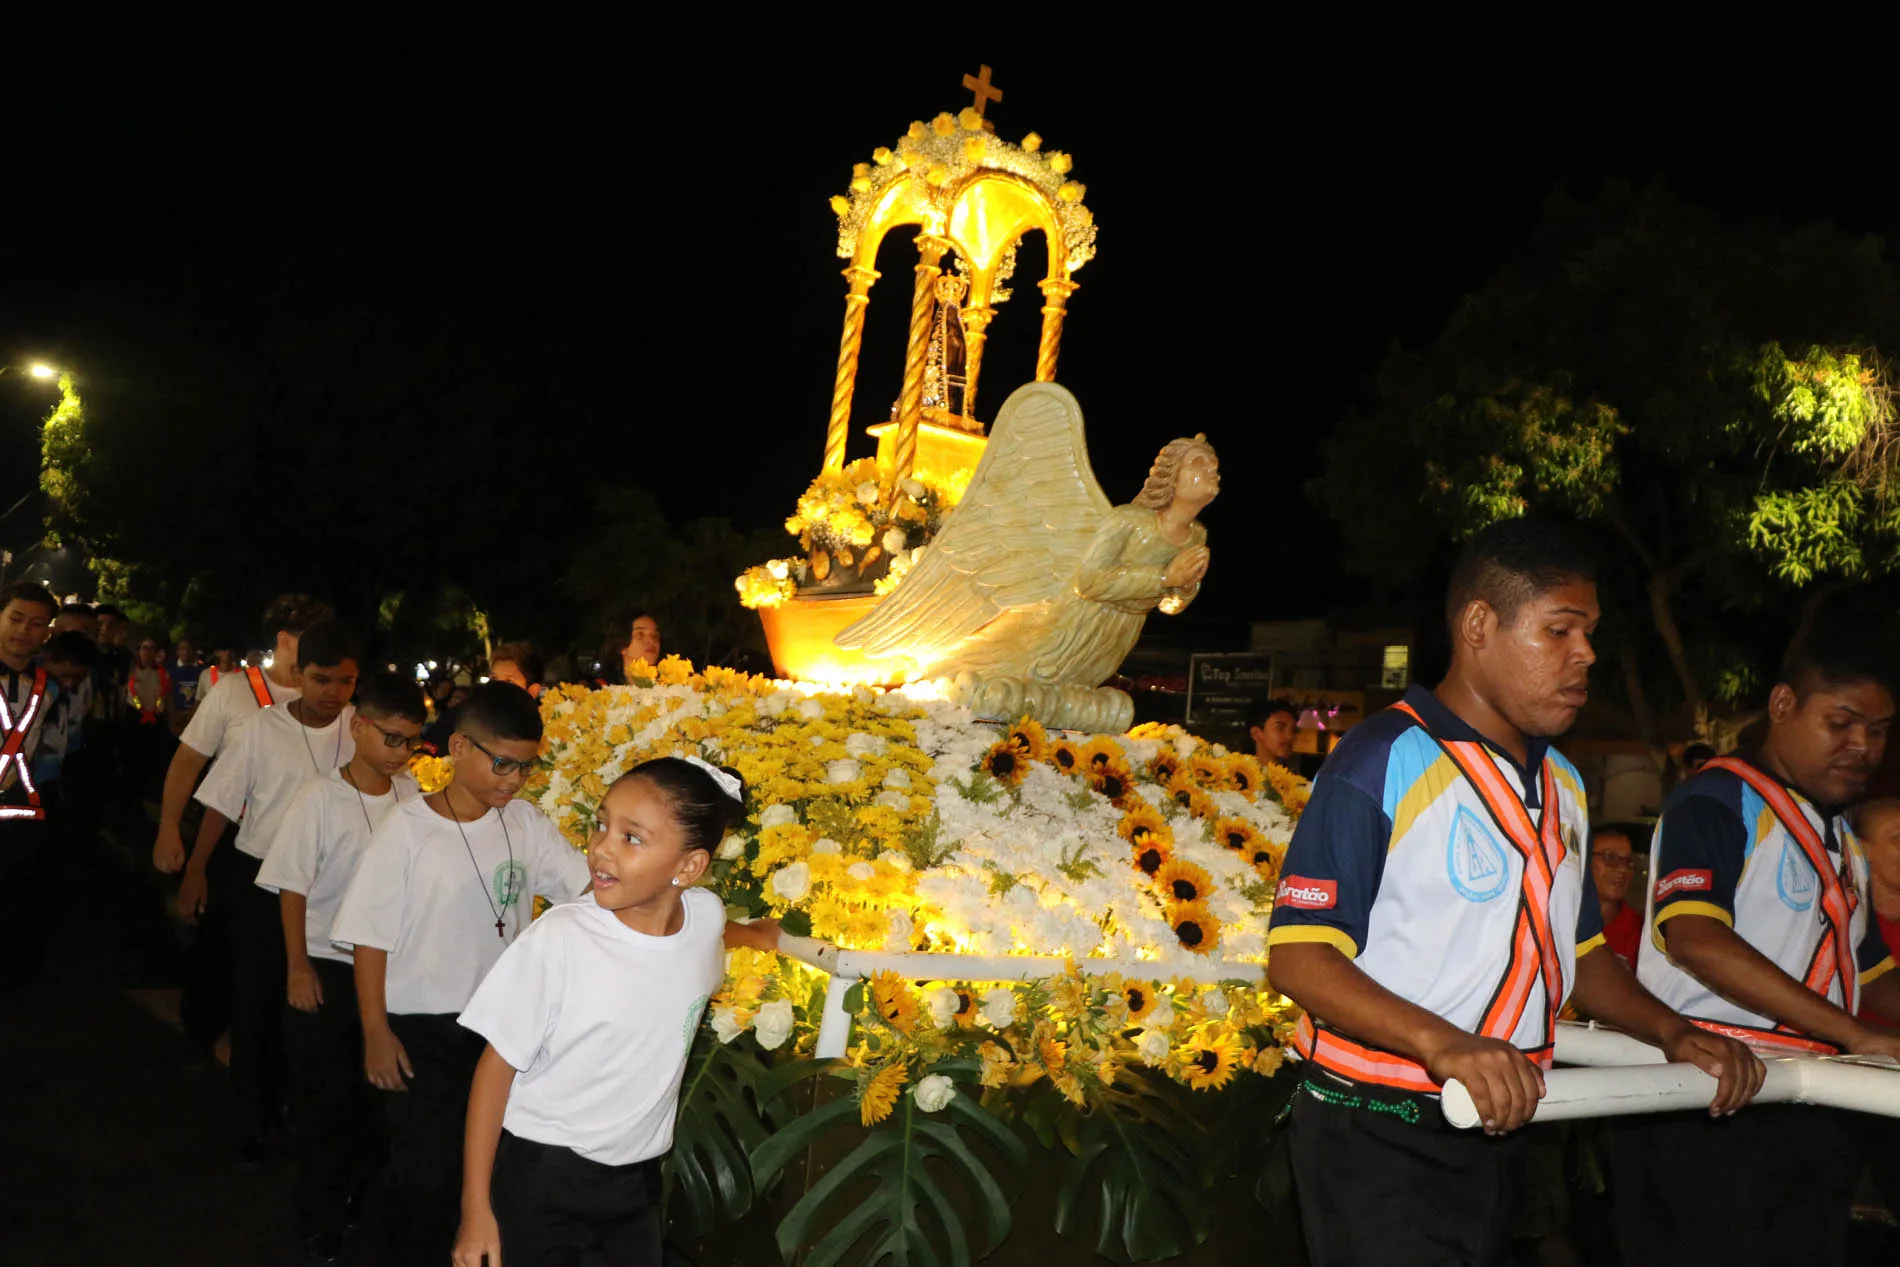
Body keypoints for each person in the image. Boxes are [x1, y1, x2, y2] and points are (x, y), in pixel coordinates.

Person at [1265, 519, 1761, 1267]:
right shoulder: (1382, 757)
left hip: (1506, 1124)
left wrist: (1670, 1031)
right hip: (1375, 1129)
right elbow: (1300, 955)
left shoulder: (1563, 781)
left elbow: (1584, 955)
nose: (1585, 654)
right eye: (1559, 630)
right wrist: (1447, 1043)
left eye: (1589, 632)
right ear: (1477, 625)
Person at [1616, 625, 1900, 1267]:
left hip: (1810, 1101)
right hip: (1707, 1103)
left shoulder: (1843, 839)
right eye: (1842, 722)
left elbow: (1870, 971)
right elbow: (1695, 938)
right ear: (1782, 706)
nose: (1863, 747)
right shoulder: (1715, 801)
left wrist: (1858, 1033)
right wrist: (1855, 1034)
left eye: (1879, 730)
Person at [451, 758, 783, 1266]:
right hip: (542, 1177)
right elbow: (494, 1073)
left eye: (632, 838)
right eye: (602, 824)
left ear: (688, 868)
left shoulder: (705, 917)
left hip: (635, 1183)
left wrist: (765, 935)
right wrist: (476, 1210)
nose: (602, 848)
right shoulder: (561, 937)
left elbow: (718, 930)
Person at [331, 681, 592, 1266]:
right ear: (458, 748)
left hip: (502, 1029)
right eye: (502, 763)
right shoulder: (407, 829)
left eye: (526, 767)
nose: (513, 780)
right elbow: (370, 936)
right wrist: (375, 1031)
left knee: (489, 1175)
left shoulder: (525, 824)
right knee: (424, 1176)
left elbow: (584, 893)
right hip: (420, 1027)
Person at [257, 672, 426, 1261]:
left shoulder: (414, 800)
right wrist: (297, 965)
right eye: (392, 738)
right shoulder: (320, 798)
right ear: (358, 727)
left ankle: (357, 1204)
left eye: (411, 742)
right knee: (324, 1104)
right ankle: (321, 1219)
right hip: (328, 964)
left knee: (378, 1106)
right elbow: (291, 887)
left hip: (390, 975)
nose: (401, 753)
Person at [190, 620, 361, 1161]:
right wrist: (196, 868)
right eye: (322, 680)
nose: (334, 693)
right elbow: (220, 800)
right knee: (257, 1001)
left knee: (317, 1005)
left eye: (346, 681)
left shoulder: (360, 727)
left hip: (333, 887)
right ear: (299, 676)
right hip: (261, 878)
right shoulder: (263, 729)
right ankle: (250, 1118)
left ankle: (301, 1110)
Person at [154, 594, 333, 875]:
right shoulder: (232, 690)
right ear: (285, 639)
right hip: (229, 836)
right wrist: (168, 828)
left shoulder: (328, 700)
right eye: (317, 639)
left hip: (302, 848)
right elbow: (188, 761)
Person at [0, 583, 64, 986]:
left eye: (36, 624)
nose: (24, 630)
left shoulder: (51, 687)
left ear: (46, 634)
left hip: (18, 810)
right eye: (16, 618)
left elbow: (50, 751)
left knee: (12, 895)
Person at [1592, 825, 1643, 966]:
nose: (1622, 869)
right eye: (1610, 858)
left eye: (1629, 862)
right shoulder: (1560, 922)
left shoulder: (1641, 934)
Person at [598, 610, 661, 685]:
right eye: (640, 634)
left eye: (655, 636)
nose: (651, 641)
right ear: (622, 646)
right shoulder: (599, 690)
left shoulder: (669, 688)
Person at [1249, 698, 1300, 768]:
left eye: (1294, 730)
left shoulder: (1295, 777)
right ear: (1256, 733)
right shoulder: (1235, 776)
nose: (1290, 736)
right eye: (1280, 727)